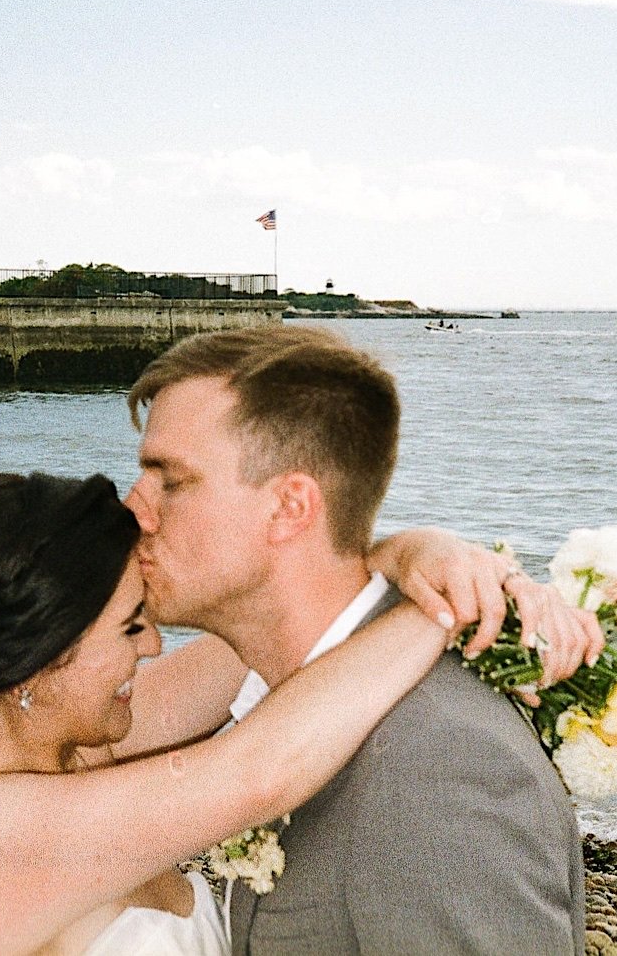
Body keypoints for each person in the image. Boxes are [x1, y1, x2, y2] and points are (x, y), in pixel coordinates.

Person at [121, 323, 583, 954]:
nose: (134, 509)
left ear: (290, 508)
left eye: (171, 480)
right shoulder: (271, 688)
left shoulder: (445, 773)